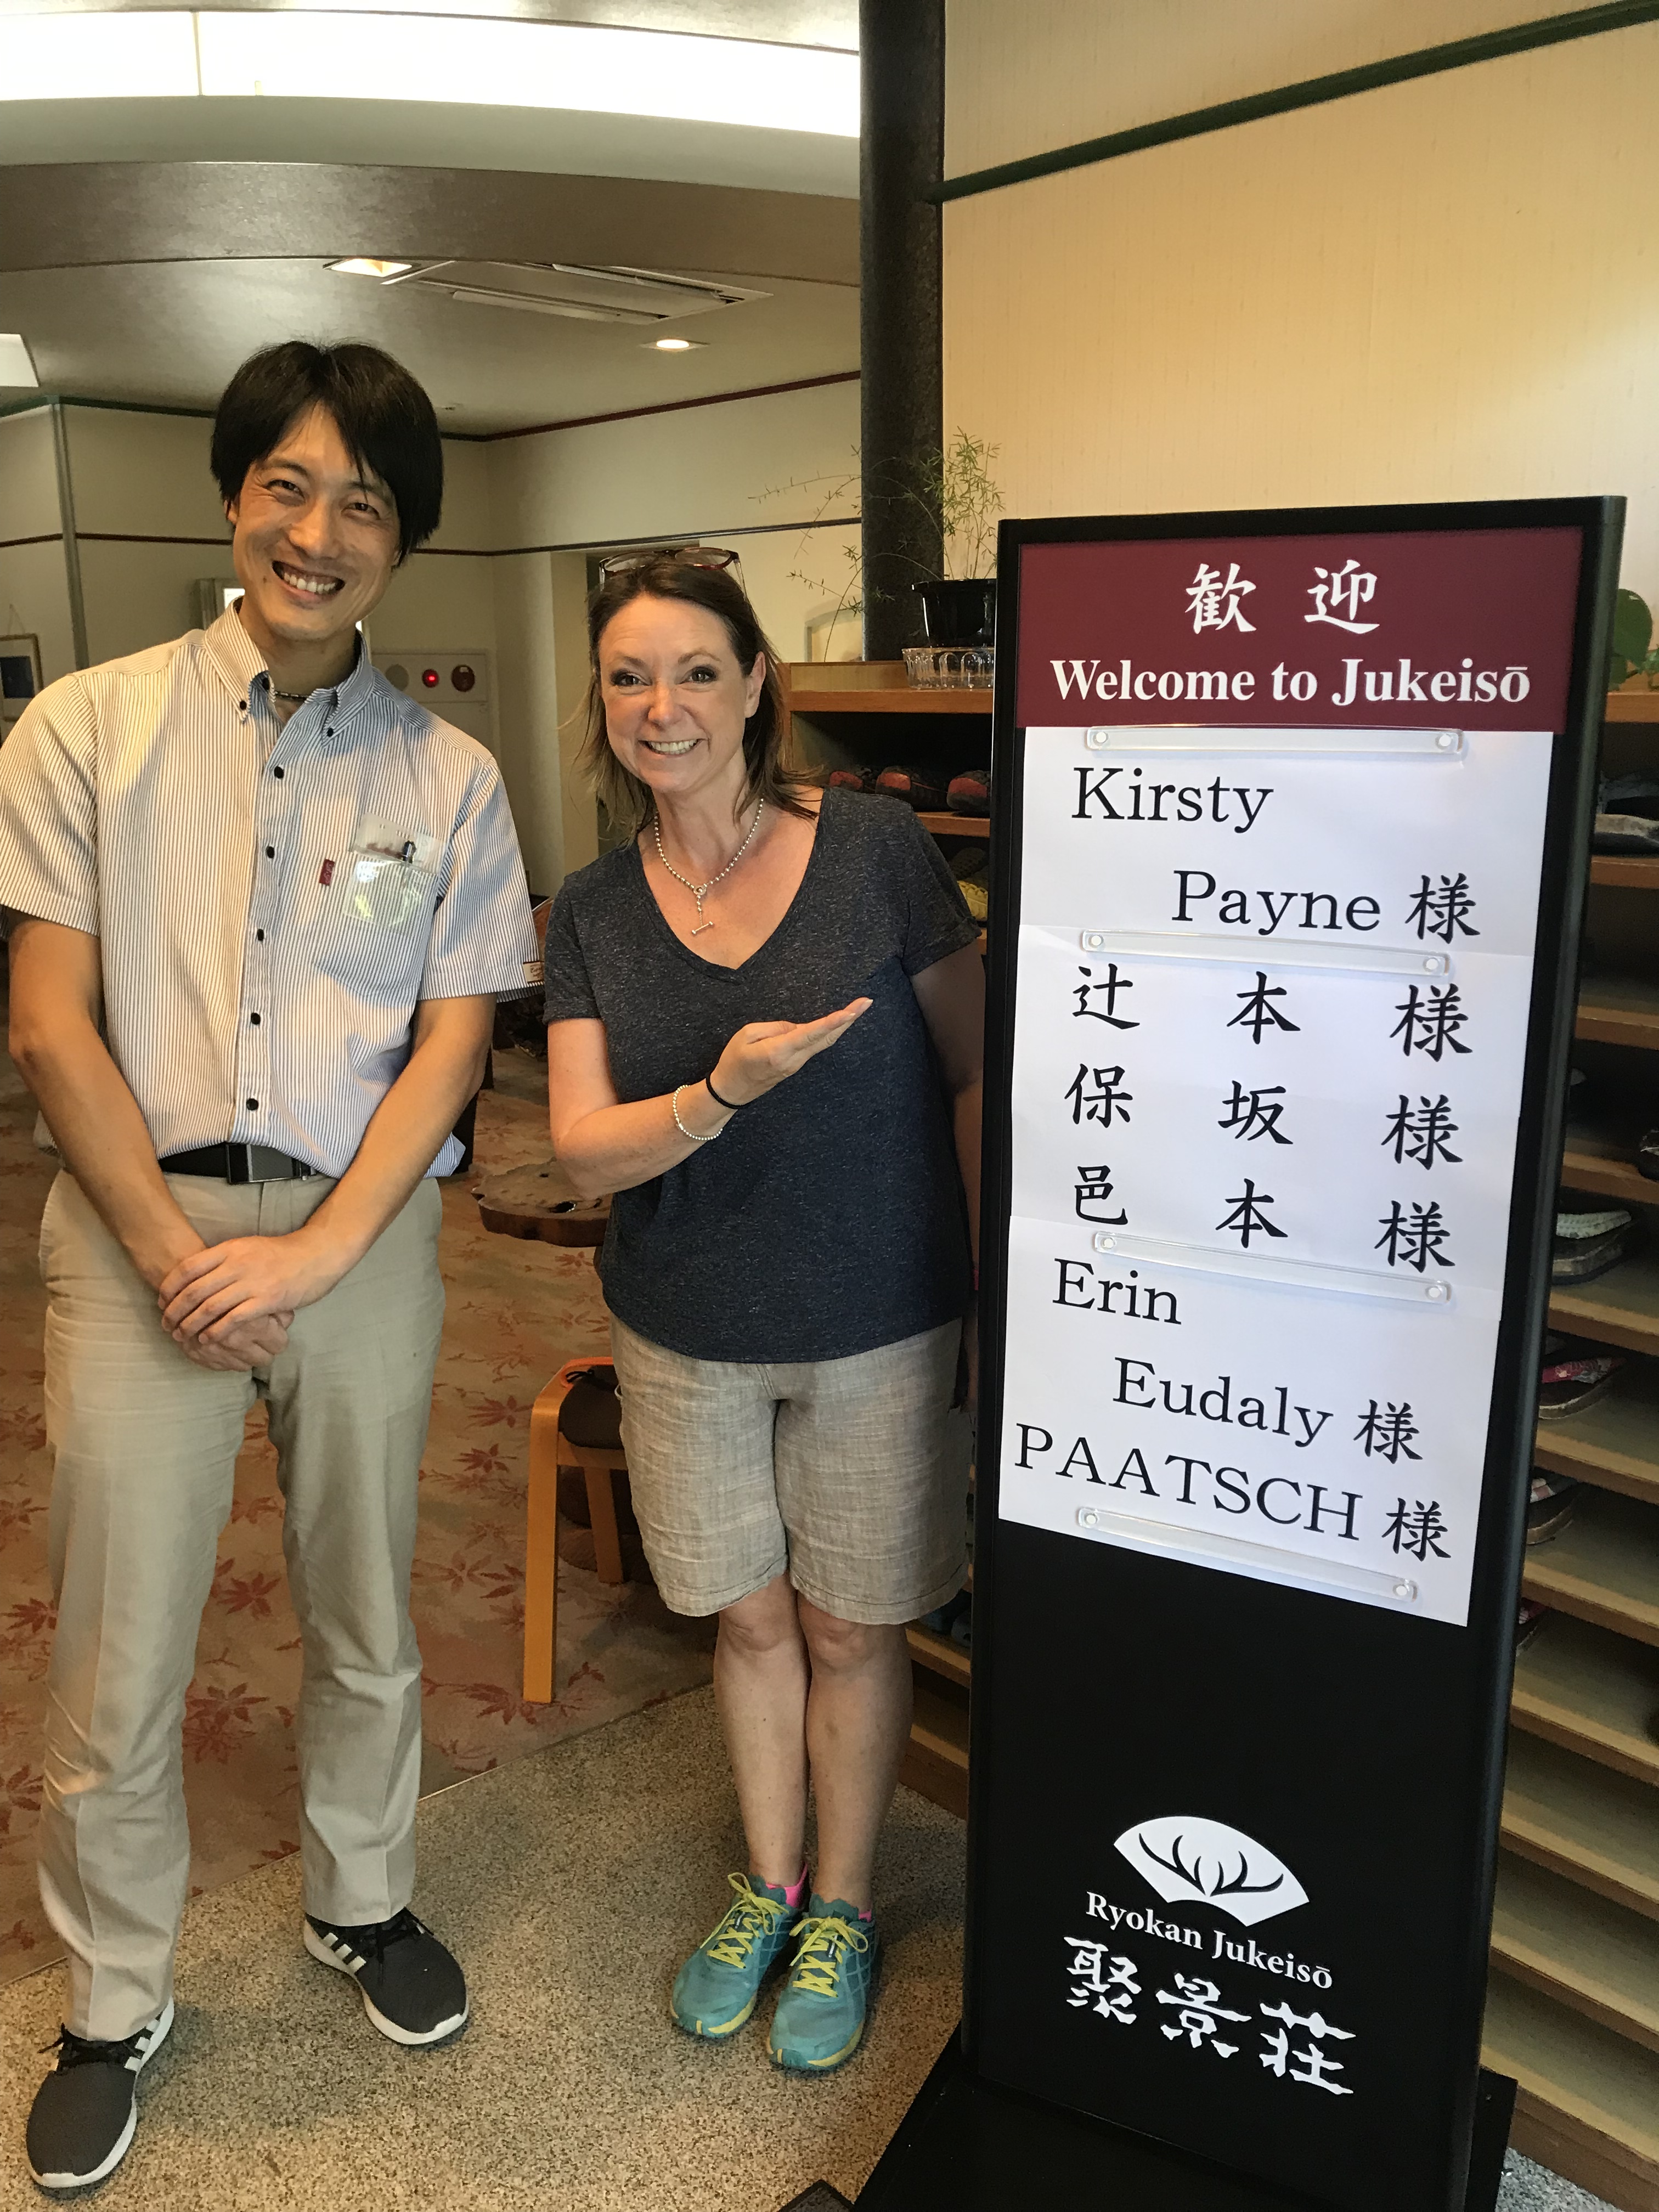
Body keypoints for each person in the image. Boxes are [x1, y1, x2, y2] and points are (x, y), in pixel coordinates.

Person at [0, 341, 538, 2194]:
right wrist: (175, 1251)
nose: (319, 533)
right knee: (119, 1642)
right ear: (235, 497)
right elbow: (49, 1023)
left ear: (404, 540)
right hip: (132, 1237)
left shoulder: (451, 777)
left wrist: (313, 1247)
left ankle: (361, 1899)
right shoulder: (86, 727)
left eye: (363, 504)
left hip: (355, 1235)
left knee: (365, 1600)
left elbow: (453, 1041)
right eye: (289, 487)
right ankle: (112, 1995)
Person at [544, 550, 983, 2074]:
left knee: (852, 1626)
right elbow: (582, 1150)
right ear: (603, 707)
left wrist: (987, 1287)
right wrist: (720, 1092)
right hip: (683, 1327)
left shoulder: (872, 849)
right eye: (629, 678)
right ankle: (769, 1886)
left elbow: (972, 1068)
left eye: (695, 672)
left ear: (754, 689)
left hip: (883, 1314)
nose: (662, 706)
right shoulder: (592, 908)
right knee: (745, 1619)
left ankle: (844, 1908)